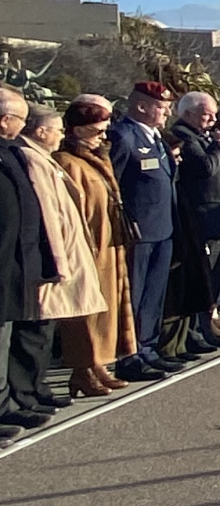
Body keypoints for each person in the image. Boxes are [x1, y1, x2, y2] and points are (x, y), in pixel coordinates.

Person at [21, 103, 107, 402]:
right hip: (57, 257)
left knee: (58, 325)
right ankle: (30, 391)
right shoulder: (35, 160)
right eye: (57, 130)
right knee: (41, 331)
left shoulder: (45, 159)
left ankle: (48, 384)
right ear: (42, 131)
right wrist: (57, 261)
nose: (61, 136)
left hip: (72, 250)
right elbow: (47, 213)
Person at [54, 97, 137, 394]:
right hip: (87, 248)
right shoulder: (68, 163)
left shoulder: (96, 158)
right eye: (97, 131)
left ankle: (98, 362)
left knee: (105, 310)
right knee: (84, 312)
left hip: (108, 244)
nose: (104, 136)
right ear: (77, 130)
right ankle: (82, 368)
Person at [0, 87, 62, 431]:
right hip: (6, 259)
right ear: (5, 119)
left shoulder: (11, 153)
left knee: (9, 336)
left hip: (17, 260)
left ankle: (8, 402)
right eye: (20, 119)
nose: (23, 127)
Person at [108, 82, 179, 381]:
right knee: (133, 297)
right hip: (138, 231)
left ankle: (148, 348)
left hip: (162, 228)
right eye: (161, 107)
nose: (166, 113)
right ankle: (130, 354)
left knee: (153, 296)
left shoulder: (156, 138)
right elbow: (113, 187)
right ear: (141, 106)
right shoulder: (123, 136)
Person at [169, 91, 220, 350]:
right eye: (205, 113)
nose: (212, 118)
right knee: (202, 278)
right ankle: (199, 330)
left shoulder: (203, 135)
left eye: (213, 112)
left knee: (213, 277)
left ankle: (209, 321)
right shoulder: (184, 136)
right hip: (202, 216)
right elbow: (205, 168)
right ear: (187, 113)